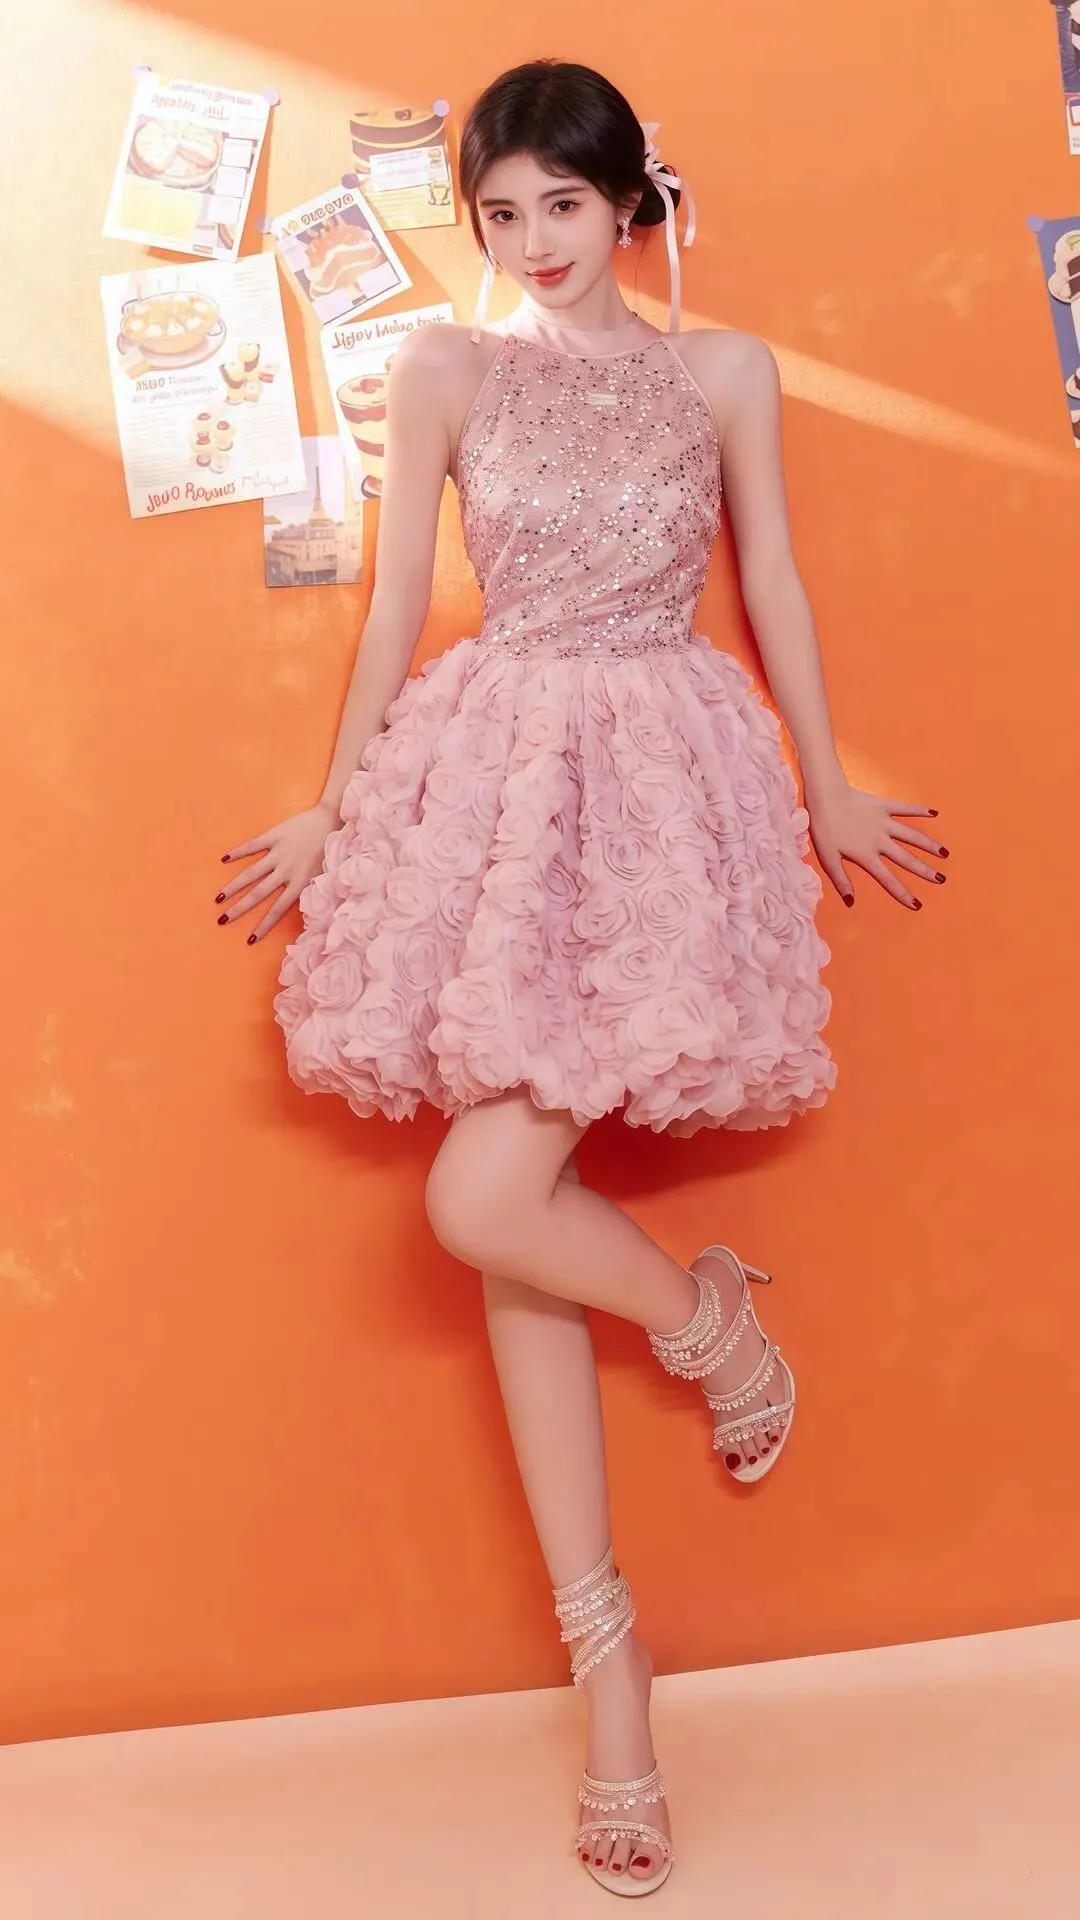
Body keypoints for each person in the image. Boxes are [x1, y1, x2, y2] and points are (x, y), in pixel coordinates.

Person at [215, 59, 947, 1898]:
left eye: (564, 203)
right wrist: (331, 806)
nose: (536, 241)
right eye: (503, 212)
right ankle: (616, 1650)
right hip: (499, 777)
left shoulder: (727, 370)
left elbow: (772, 578)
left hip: (664, 778)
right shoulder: (445, 370)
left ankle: (700, 1354)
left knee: (492, 1201)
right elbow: (397, 605)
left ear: (631, 201)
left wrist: (831, 777)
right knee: (499, 1214)